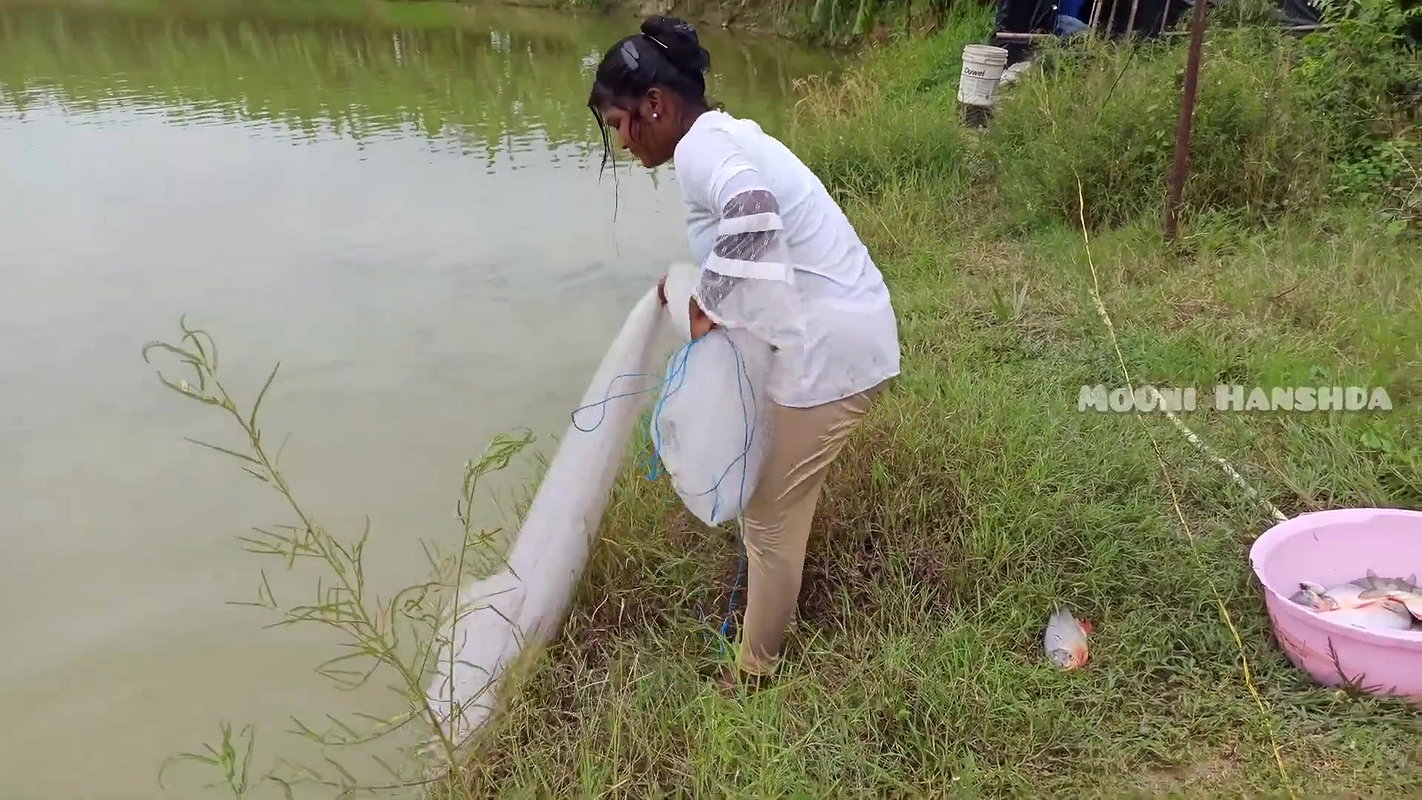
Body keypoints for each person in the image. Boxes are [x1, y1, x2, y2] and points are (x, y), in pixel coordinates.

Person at [587, 16, 901, 689]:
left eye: (620, 123)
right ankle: (769, 616)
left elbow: (753, 213)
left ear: (655, 105)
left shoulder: (702, 150)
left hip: (835, 351)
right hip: (845, 331)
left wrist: (710, 305)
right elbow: (754, 234)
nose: (621, 140)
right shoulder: (722, 135)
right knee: (783, 499)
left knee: (768, 518)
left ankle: (755, 673)